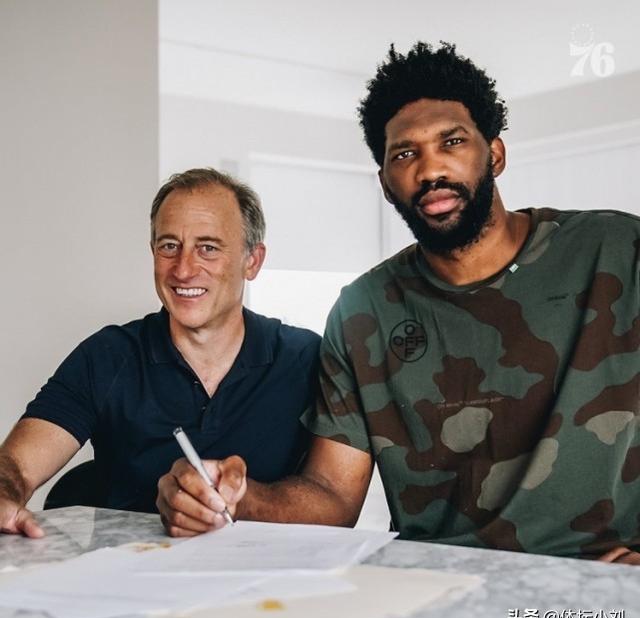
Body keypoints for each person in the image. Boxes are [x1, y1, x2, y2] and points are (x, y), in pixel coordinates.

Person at [158, 44, 640, 564]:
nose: (430, 169)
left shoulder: (617, 252)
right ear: (387, 184)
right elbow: (333, 495)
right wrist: (236, 497)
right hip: (435, 582)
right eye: (405, 154)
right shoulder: (363, 310)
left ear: (495, 154)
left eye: (452, 141)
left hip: (598, 583)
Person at [0, 167, 319, 537]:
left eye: (208, 248)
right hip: (127, 567)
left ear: (252, 260)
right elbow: (17, 464)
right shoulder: (106, 355)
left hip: (269, 569)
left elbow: (332, 498)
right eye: (169, 246)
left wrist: (244, 501)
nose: (183, 269)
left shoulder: (307, 358)